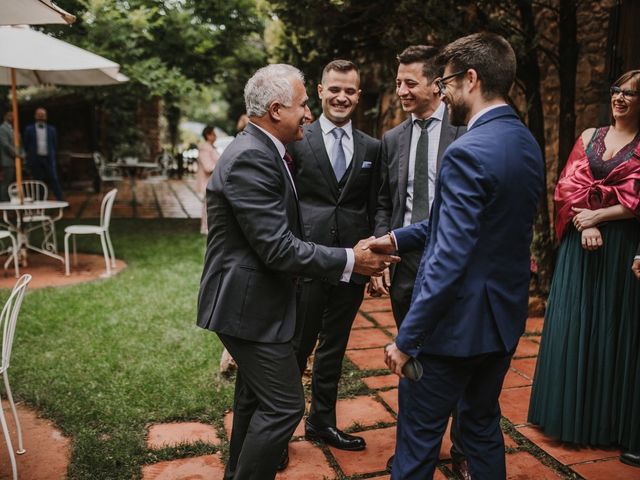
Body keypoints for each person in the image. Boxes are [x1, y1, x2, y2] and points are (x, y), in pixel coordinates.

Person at [196, 63, 399, 480]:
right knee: (286, 405)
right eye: (303, 104)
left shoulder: (262, 148)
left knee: (254, 398)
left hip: (258, 301)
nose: (309, 112)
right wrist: (350, 260)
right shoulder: (252, 156)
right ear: (275, 110)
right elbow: (276, 246)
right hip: (246, 305)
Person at [367, 33, 544, 479]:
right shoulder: (525, 142)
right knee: (481, 427)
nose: (442, 91)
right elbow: (461, 224)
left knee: (417, 444)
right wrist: (394, 240)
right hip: (502, 321)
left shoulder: (465, 149)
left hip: (454, 331)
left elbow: (449, 257)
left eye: (445, 82)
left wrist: (408, 340)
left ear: (471, 78)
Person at [528, 69, 640, 469]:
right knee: (576, 323)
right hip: (581, 244)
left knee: (613, 328)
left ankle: (606, 423)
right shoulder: (588, 136)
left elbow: (637, 200)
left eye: (631, 93)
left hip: (620, 251)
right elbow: (566, 187)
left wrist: (600, 218)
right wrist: (586, 221)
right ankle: (568, 416)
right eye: (617, 90)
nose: (621, 98)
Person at [370, 44, 466, 476]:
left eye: (410, 82)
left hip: (455, 268)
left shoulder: (465, 134)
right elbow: (387, 202)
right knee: (409, 359)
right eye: (398, 83)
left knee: (462, 358)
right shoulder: (392, 139)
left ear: (435, 84)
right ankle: (415, 450)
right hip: (407, 266)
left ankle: (464, 448)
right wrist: (384, 251)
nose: (401, 91)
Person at [288, 60, 380, 451]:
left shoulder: (372, 148)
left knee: (334, 350)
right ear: (321, 91)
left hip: (352, 266)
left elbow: (373, 206)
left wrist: (373, 260)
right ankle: (279, 432)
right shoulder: (296, 140)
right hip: (308, 261)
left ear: (358, 96)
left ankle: (321, 422)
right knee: (296, 349)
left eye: (350, 91)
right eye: (335, 89)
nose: (342, 97)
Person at [23, 107, 63, 200]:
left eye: (43, 115)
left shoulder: (52, 129)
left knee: (54, 179)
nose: (41, 117)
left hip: (48, 158)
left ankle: (60, 200)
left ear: (46, 117)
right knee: (38, 181)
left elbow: (55, 143)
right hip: (35, 158)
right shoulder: (29, 129)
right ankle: (39, 201)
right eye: (39, 115)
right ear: (35, 116)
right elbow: (26, 144)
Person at [196, 125, 220, 234]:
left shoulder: (211, 147)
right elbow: (208, 166)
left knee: (211, 205)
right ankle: (205, 228)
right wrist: (221, 166)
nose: (215, 136)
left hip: (213, 182)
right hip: (207, 181)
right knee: (207, 205)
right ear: (208, 135)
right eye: (213, 134)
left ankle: (210, 226)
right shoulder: (205, 148)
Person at [0, 111, 17, 202]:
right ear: (5, 116)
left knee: (11, 184)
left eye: (13, 116)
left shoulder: (13, 129)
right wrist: (17, 154)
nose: (12, 117)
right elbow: (5, 145)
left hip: (13, 162)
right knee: (5, 184)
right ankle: (4, 205)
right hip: (6, 161)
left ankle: (10, 203)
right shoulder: (2, 128)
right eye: (10, 115)